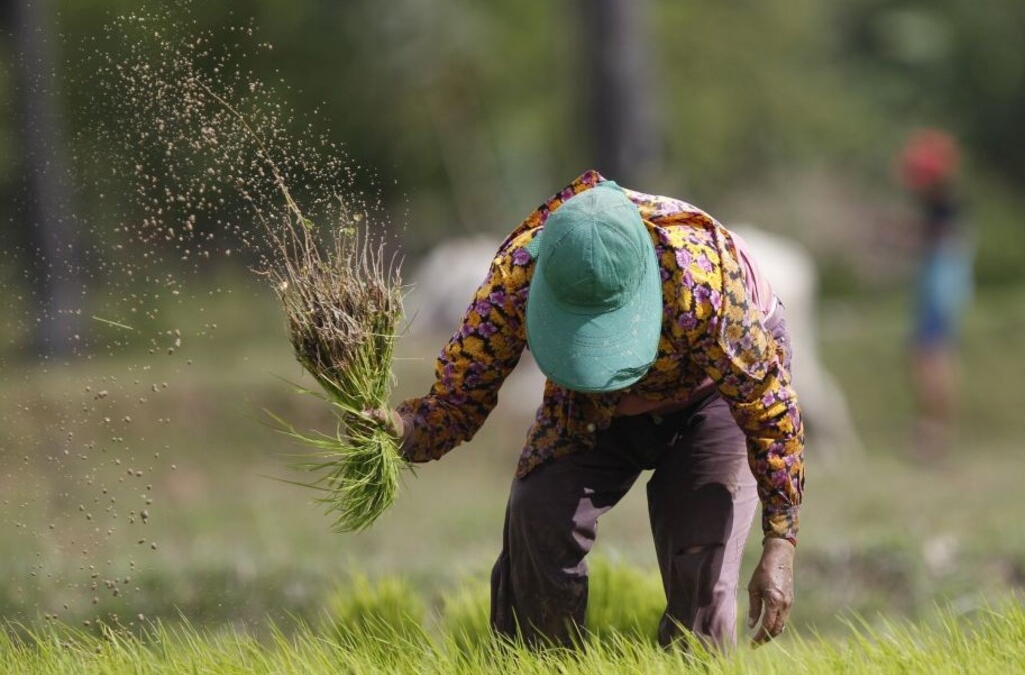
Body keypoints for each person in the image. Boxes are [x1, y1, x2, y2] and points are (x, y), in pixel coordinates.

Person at [363, 171, 805, 650]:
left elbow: (770, 414)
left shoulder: (703, 282)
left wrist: (780, 540)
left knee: (702, 550)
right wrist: (404, 429)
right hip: (591, 402)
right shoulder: (518, 277)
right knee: (539, 510)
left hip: (711, 393)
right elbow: (459, 396)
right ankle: (542, 660)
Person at [898, 130, 973, 463]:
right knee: (934, 357)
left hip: (938, 292)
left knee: (931, 358)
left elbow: (935, 246)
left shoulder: (944, 208)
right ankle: (935, 432)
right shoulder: (946, 206)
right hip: (943, 291)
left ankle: (933, 433)